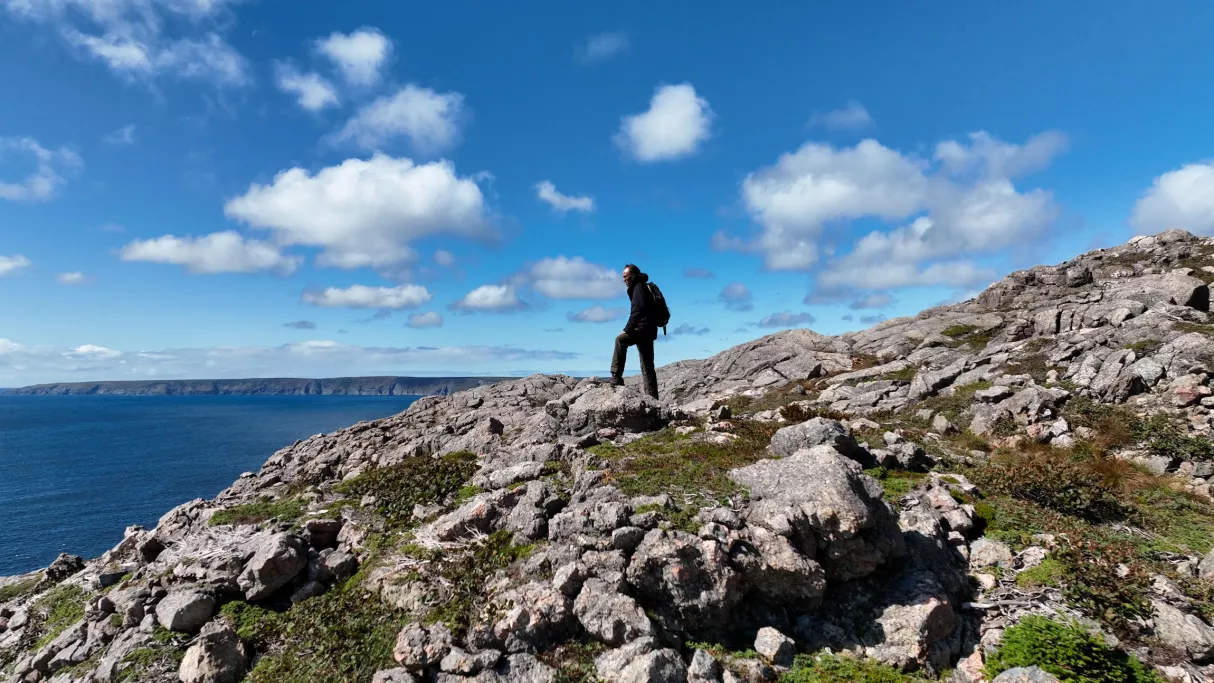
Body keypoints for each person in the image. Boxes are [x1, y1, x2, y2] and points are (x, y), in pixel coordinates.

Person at [609, 264, 659, 399]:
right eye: (623, 277)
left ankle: (616, 376)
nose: (623, 280)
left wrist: (626, 329)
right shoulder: (642, 286)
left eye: (625, 277)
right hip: (649, 331)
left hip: (641, 330)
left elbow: (637, 311)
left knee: (620, 340)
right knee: (647, 366)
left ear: (633, 275)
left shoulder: (638, 287)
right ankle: (653, 398)